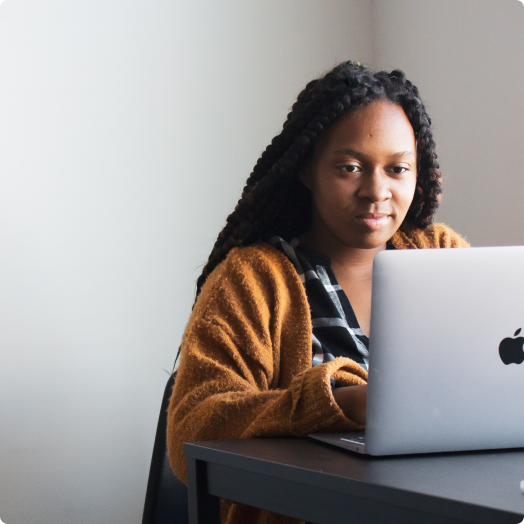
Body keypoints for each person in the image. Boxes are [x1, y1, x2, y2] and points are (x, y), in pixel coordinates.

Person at [166, 60, 469, 524]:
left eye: (397, 169)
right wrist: (336, 403)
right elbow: (193, 427)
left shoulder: (441, 254)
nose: (377, 191)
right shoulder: (253, 279)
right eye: (350, 167)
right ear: (307, 169)